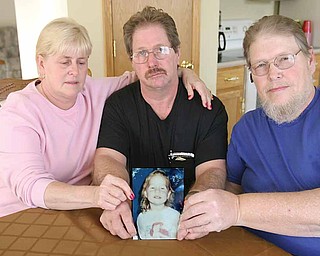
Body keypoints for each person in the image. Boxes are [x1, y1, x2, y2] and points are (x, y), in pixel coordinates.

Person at [0, 17, 213, 218]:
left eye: (81, 62)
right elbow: (30, 186)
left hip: (79, 210)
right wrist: (97, 195)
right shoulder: (18, 111)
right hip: (21, 212)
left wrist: (185, 73)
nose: (74, 71)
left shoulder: (92, 91)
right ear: (42, 64)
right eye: (65, 62)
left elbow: (146, 74)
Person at [178, 15, 320, 255]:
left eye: (284, 59)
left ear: (310, 61)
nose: (273, 73)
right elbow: (231, 187)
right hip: (248, 247)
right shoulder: (246, 129)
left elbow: (234, 204)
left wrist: (237, 209)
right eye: (261, 65)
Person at [93, 6, 228, 240]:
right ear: (132, 61)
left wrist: (194, 206)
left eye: (161, 50)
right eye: (142, 53)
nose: (152, 61)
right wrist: (115, 198)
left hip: (193, 225)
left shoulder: (209, 109)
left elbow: (213, 170)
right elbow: (108, 159)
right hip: (130, 223)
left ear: (177, 52)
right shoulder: (117, 106)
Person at [136, 170, 180, 239]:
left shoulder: (175, 216)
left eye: (162, 188)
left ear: (168, 194)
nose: (157, 191)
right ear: (145, 193)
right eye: (152, 188)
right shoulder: (141, 217)